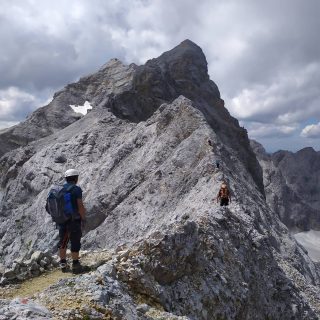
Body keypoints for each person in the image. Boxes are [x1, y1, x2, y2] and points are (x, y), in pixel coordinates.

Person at [57, 169, 87, 274]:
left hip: (62, 220)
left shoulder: (59, 189)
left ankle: (63, 264)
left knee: (63, 241)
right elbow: (80, 206)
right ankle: (75, 264)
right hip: (74, 220)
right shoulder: (76, 189)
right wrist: (83, 218)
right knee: (75, 241)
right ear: (76, 178)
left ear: (66, 179)